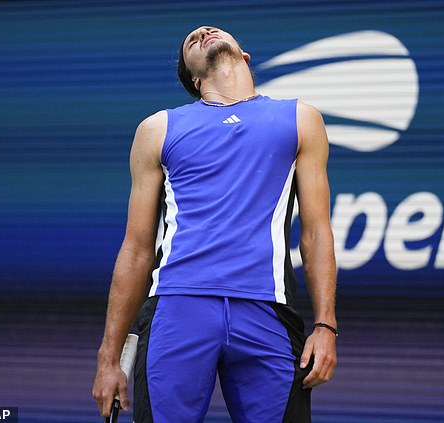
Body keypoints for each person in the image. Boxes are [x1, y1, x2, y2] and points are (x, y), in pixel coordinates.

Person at [92, 26, 337, 423]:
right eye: (190, 39)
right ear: (193, 78)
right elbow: (136, 249)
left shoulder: (300, 118)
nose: (202, 31)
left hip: (266, 310)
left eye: (211, 30)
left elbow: (316, 233)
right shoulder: (158, 129)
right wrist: (108, 359)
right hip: (176, 308)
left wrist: (326, 326)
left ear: (245, 56)